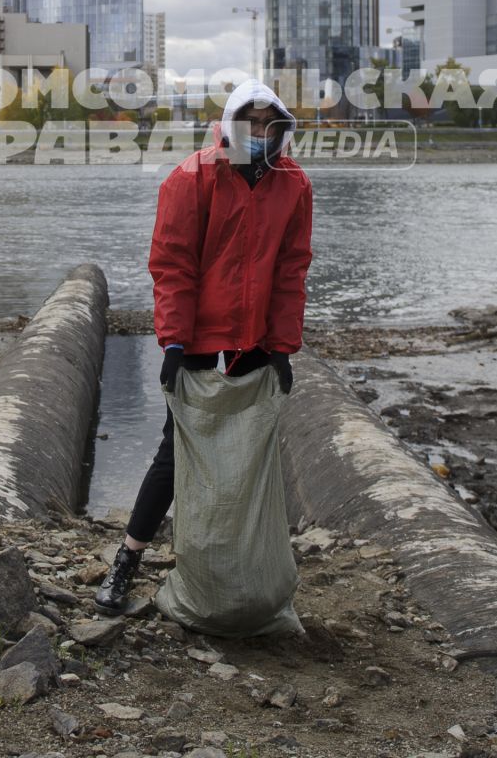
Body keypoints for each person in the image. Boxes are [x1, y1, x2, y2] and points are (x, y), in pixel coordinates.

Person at [95, 77, 313, 612]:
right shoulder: (191, 179)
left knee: (248, 452)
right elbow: (173, 267)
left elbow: (291, 272)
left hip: (255, 338)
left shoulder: (294, 186)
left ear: (282, 129)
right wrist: (172, 343)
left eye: (270, 125)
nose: (261, 133)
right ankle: (128, 558)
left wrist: (283, 347)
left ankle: (236, 565)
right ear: (232, 124)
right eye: (252, 123)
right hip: (197, 335)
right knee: (178, 449)